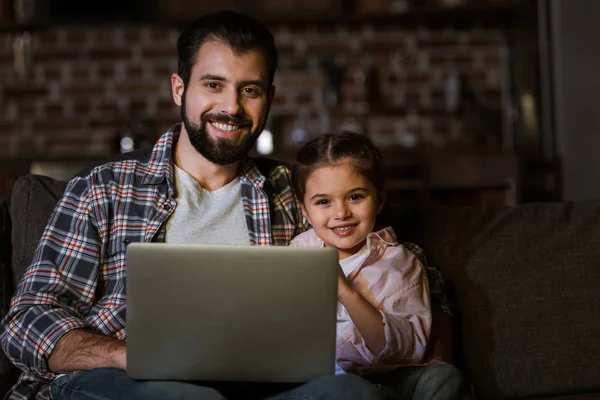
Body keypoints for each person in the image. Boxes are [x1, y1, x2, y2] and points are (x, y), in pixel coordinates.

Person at [0, 9, 464, 400]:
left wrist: (437, 355)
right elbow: (25, 323)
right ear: (180, 89)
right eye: (214, 85)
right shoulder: (105, 188)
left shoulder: (293, 190)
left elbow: (406, 266)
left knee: (352, 394)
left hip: (256, 387)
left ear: (269, 100)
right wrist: (126, 354)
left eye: (250, 89)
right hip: (129, 382)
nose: (232, 107)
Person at [290, 132, 472, 400]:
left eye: (355, 197)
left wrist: (347, 294)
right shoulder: (297, 254)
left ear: (379, 199)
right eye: (323, 202)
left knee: (444, 379)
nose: (341, 213)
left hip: (392, 379)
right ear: (305, 211)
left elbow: (407, 351)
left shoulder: (401, 263)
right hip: (326, 382)